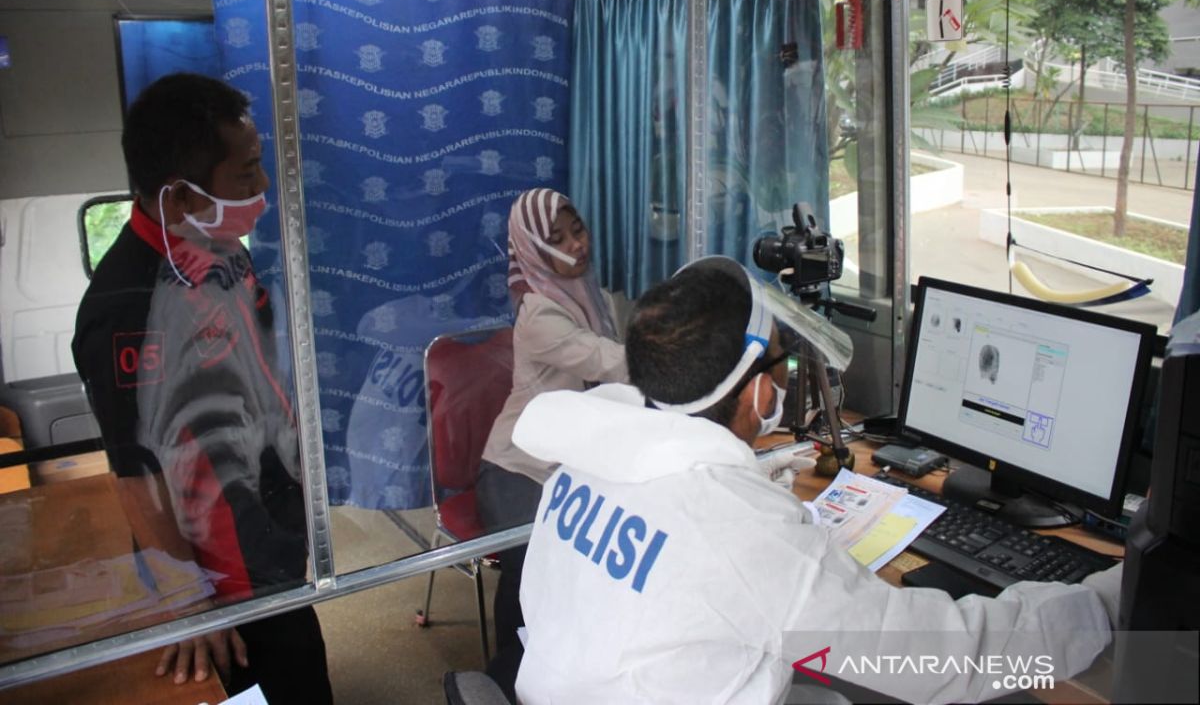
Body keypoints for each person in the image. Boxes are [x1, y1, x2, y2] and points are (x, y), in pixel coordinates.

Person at [509, 256, 1122, 705]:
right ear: (758, 391)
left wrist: (760, 480)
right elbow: (940, 660)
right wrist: (1100, 605)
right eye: (780, 361)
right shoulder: (742, 537)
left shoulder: (590, 454)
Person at [72, 73, 333, 703]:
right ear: (181, 198)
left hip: (267, 537)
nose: (263, 187)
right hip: (219, 580)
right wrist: (187, 600)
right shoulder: (125, 307)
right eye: (246, 174)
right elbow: (136, 474)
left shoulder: (218, 252)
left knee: (305, 672)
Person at [475, 187, 628, 699]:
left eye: (577, 229)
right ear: (531, 251)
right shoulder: (540, 314)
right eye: (555, 240)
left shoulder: (596, 298)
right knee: (533, 560)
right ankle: (508, 677)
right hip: (519, 466)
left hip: (573, 461)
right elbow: (613, 364)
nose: (576, 246)